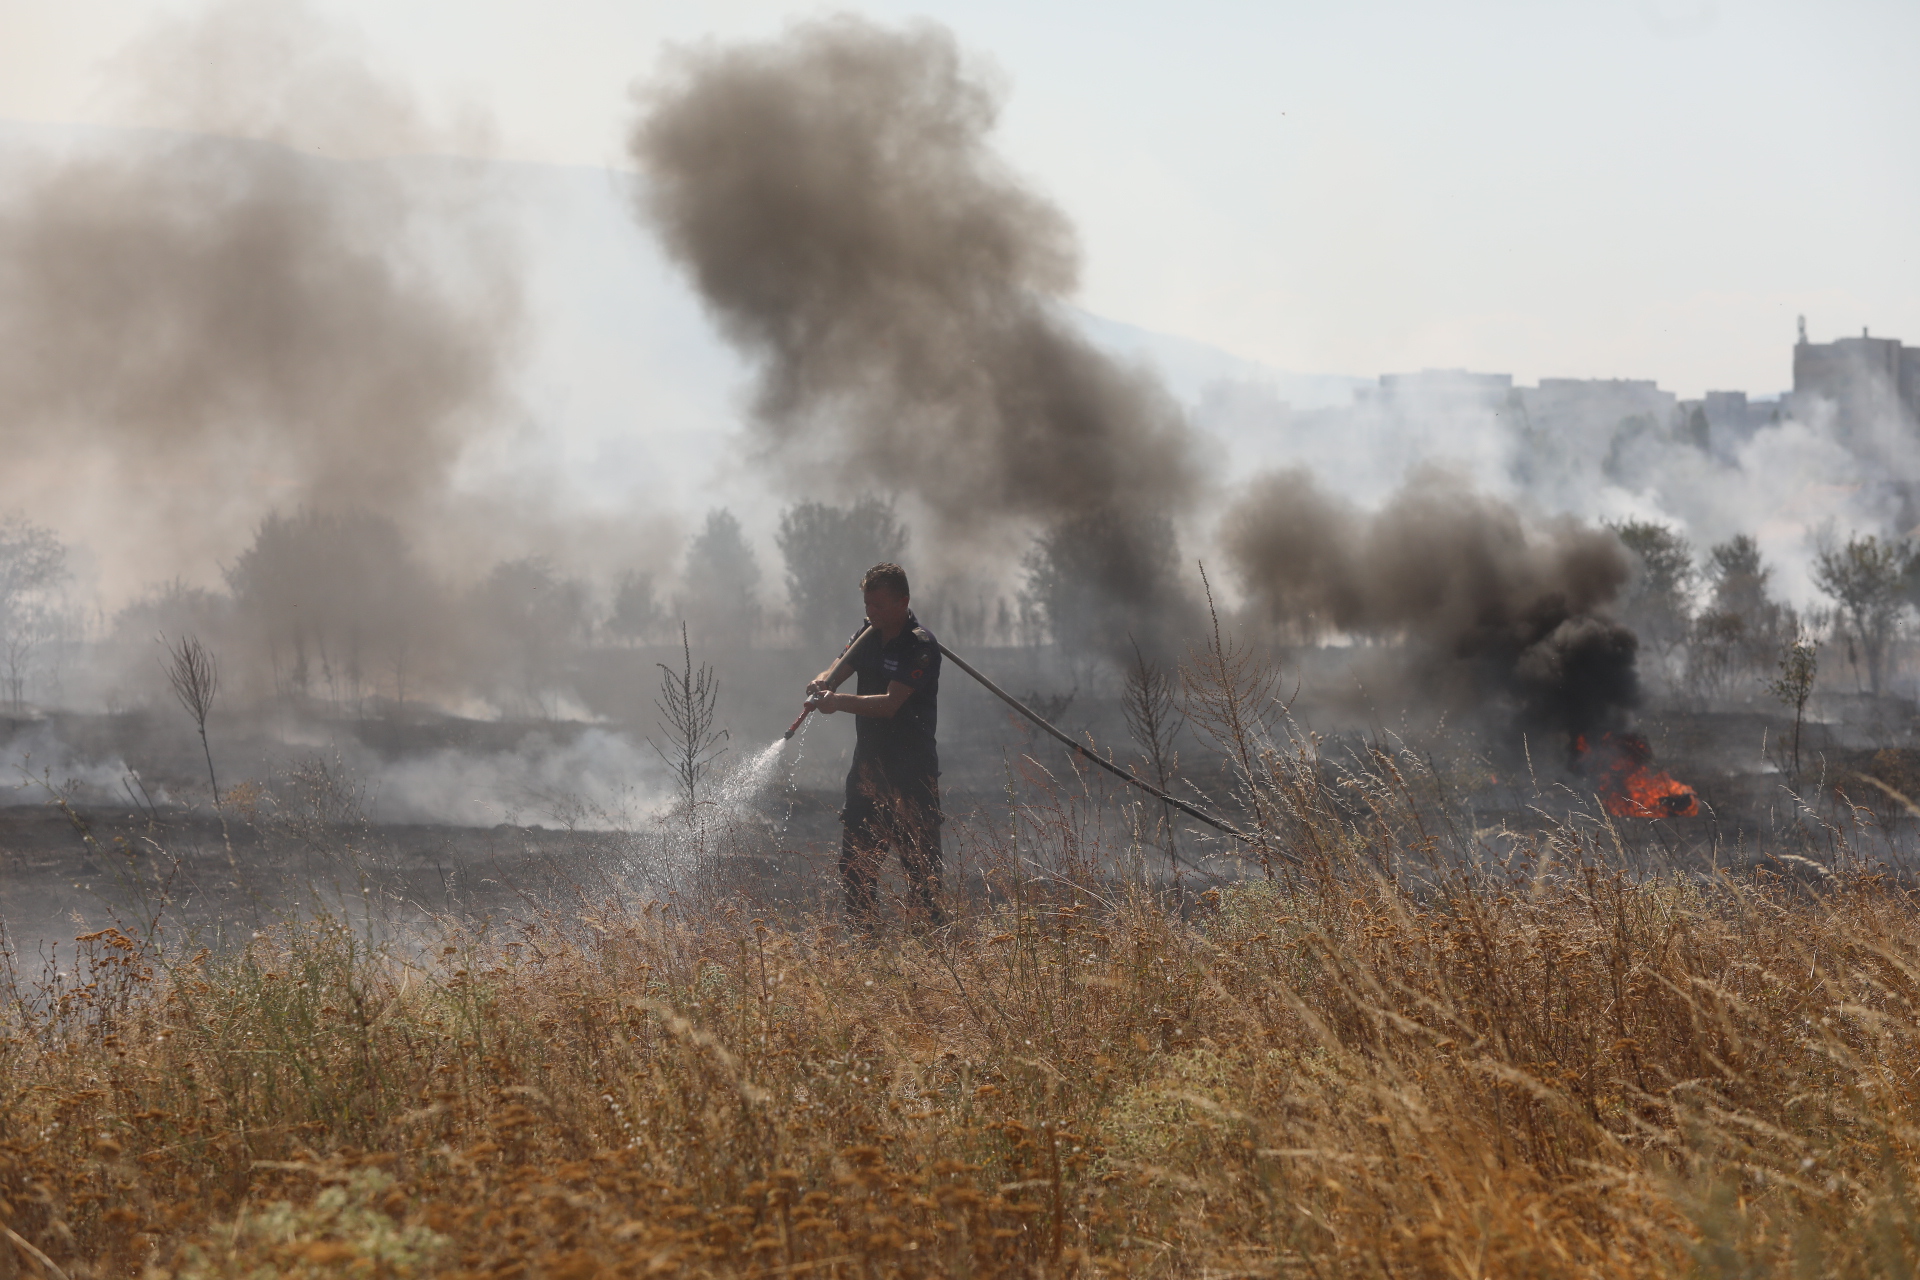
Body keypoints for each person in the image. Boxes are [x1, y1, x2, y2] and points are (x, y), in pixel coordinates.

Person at [805, 562, 944, 929]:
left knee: (923, 875)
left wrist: (837, 702)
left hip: (911, 774)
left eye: (879, 605)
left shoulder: (920, 646)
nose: (871, 612)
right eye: (867, 604)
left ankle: (932, 960)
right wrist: (821, 683)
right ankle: (868, 952)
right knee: (854, 867)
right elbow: (836, 668)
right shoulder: (868, 634)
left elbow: (889, 704)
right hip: (868, 769)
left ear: (903, 601)